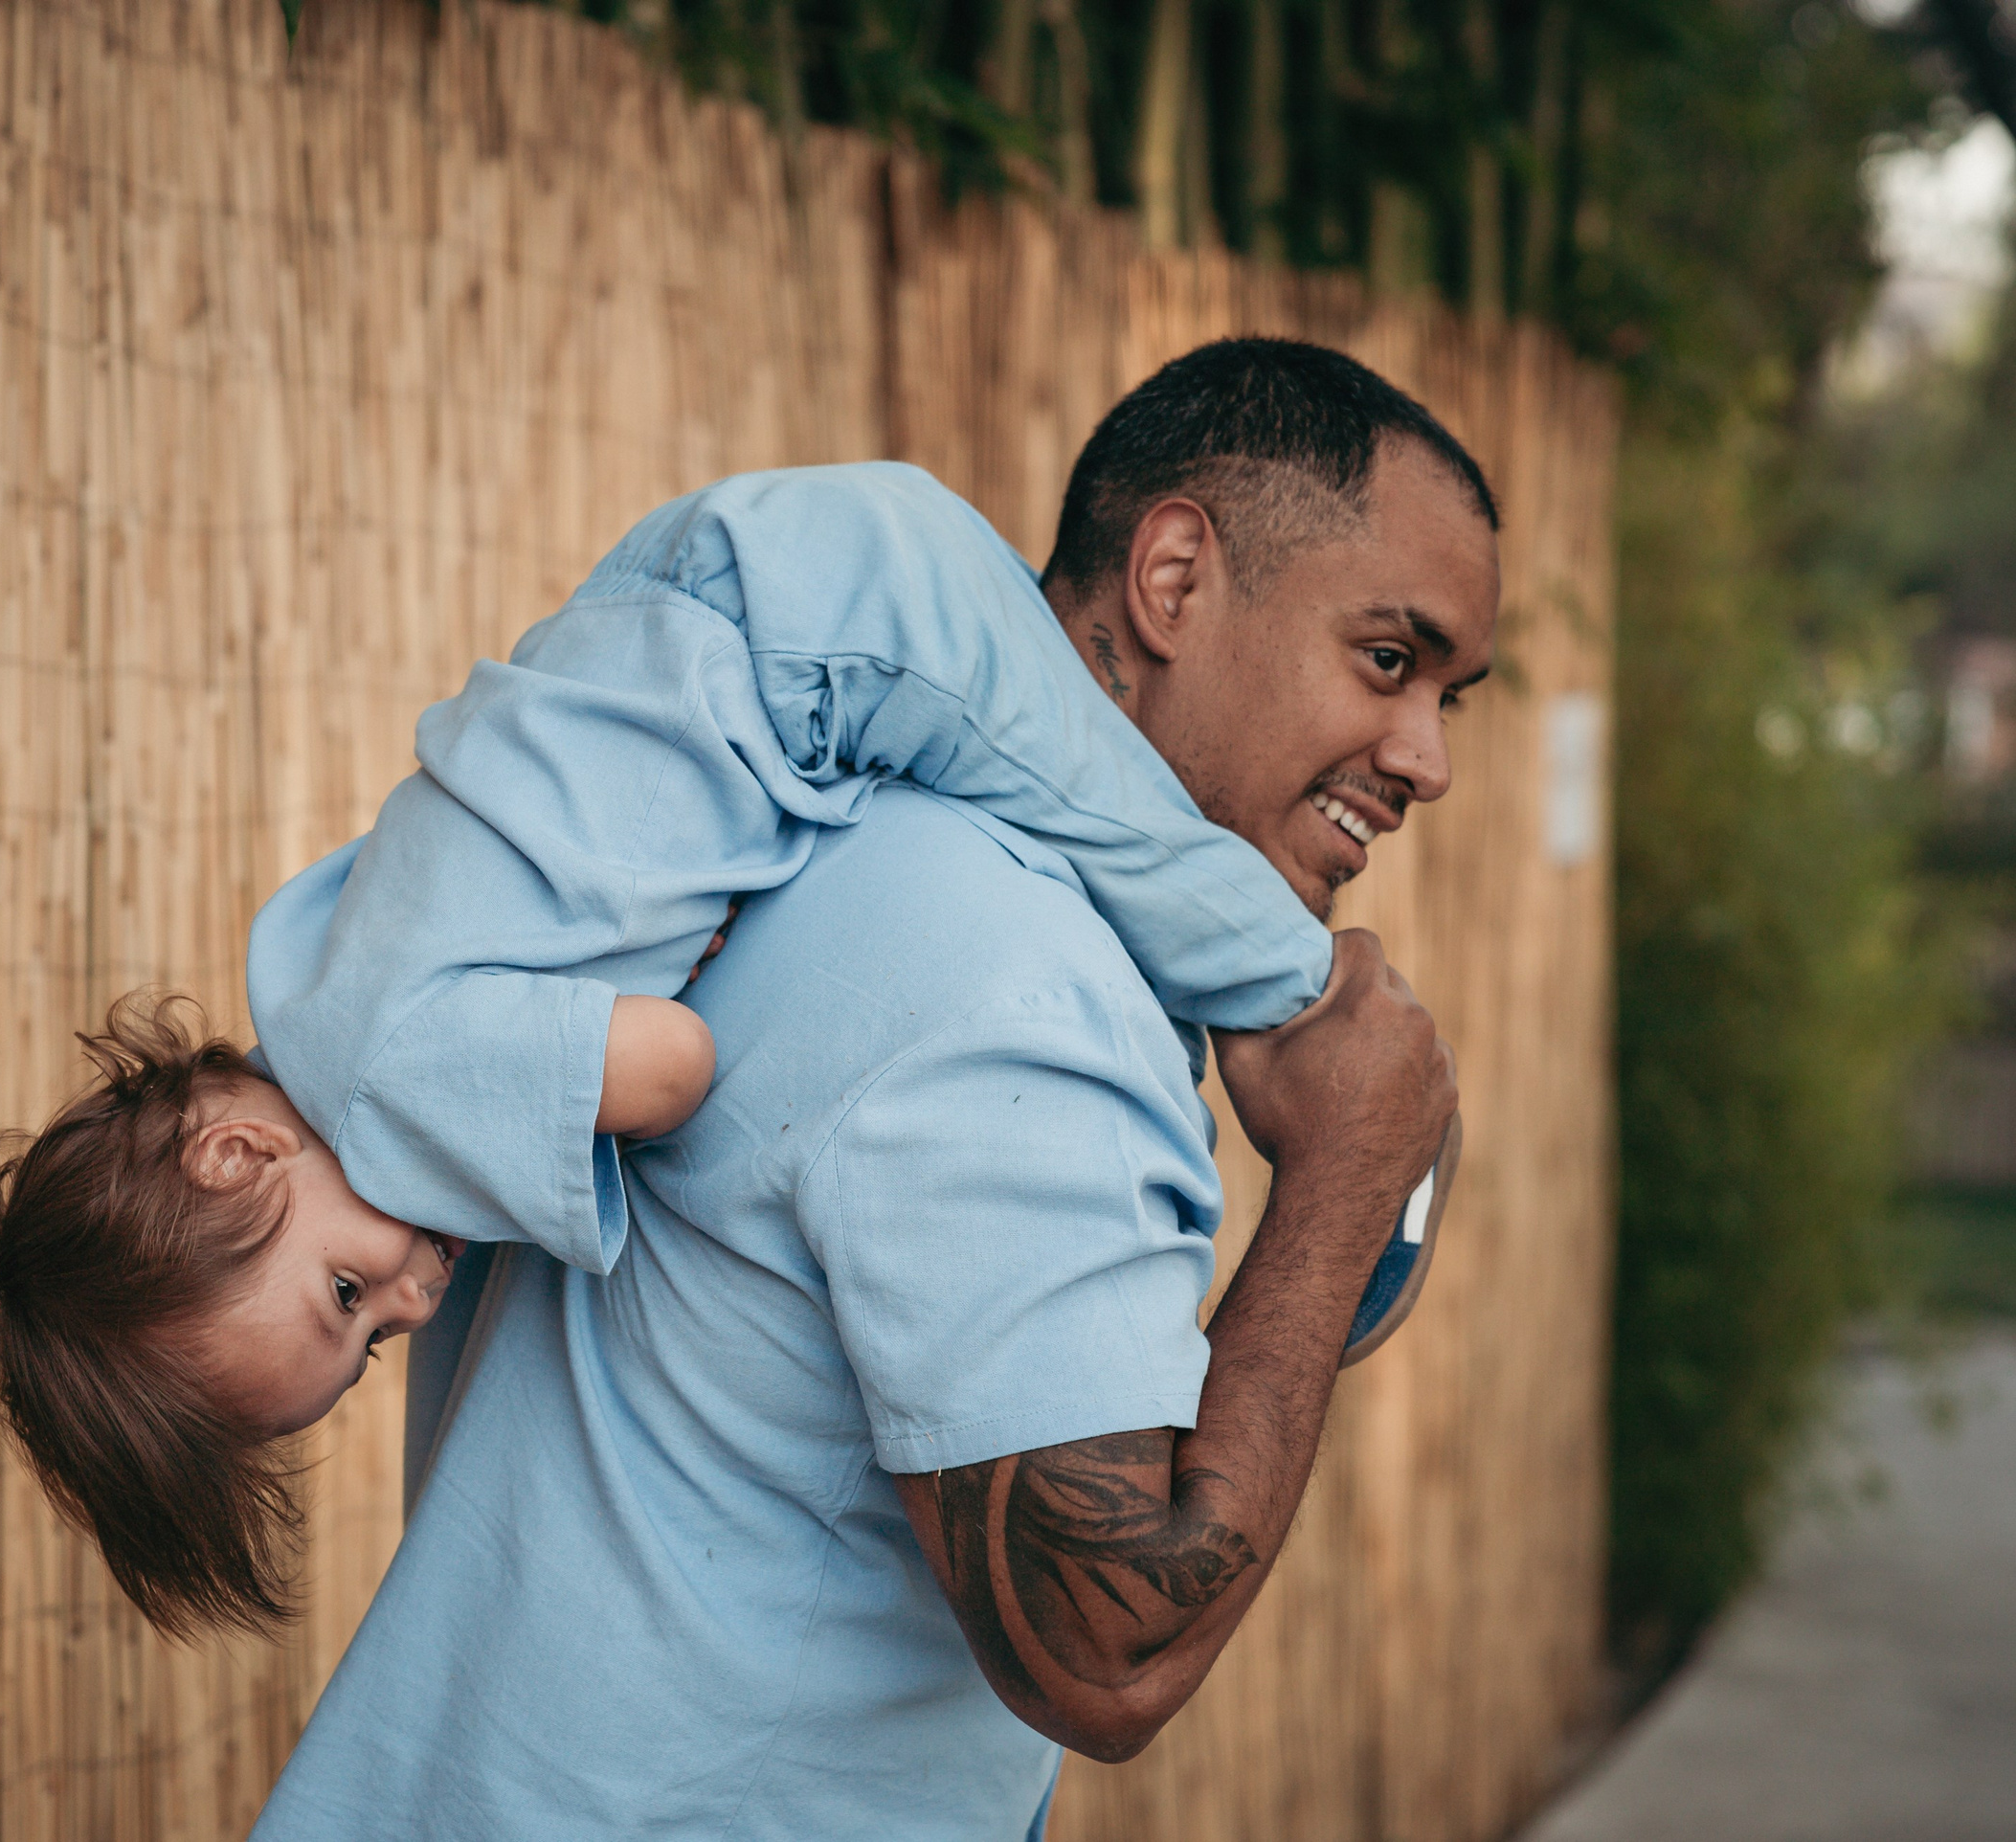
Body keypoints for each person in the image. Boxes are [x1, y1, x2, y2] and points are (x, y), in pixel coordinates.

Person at [243, 336, 1497, 1838]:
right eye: (1388, 657)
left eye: (1452, 698)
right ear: (1172, 578)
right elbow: (1109, 1652)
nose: (1426, 757)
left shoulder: (780, 820)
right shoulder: (1022, 983)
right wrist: (1350, 1178)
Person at [0, 386, 1384, 1636]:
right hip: (752, 596)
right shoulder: (323, 988)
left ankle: (1346, 1071)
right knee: (1088, 819)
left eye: (345, 1293)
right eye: (377, 1335)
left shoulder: (395, 1085)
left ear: (235, 1157)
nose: (418, 1292)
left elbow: (676, 1063)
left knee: (1128, 834)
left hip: (808, 633)